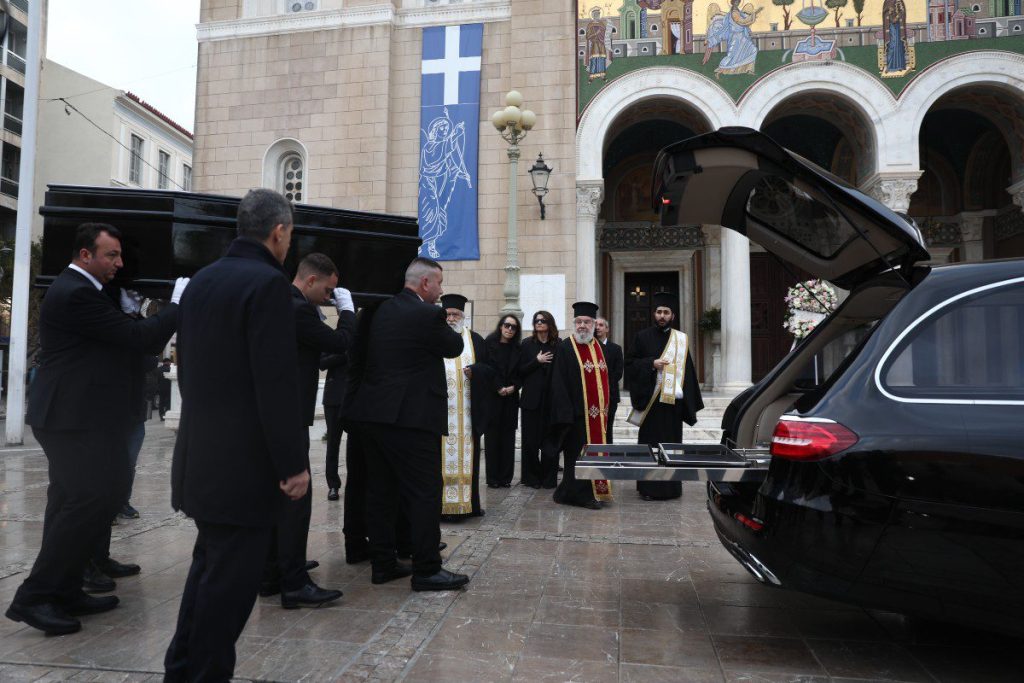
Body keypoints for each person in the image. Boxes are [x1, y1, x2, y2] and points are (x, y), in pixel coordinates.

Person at [5, 223, 185, 636]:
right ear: (85, 255)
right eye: (111, 255)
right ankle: (35, 596)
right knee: (87, 499)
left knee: (75, 500)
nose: (118, 263)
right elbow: (138, 338)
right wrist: (177, 305)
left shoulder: (88, 291)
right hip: (71, 417)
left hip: (77, 414)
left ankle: (66, 589)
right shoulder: (76, 292)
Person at [164, 189, 310, 682]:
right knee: (228, 591)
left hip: (202, 455)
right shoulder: (267, 284)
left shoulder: (203, 280)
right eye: (290, 234)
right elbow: (274, 383)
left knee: (208, 573)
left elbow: (188, 370)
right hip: (242, 469)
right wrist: (292, 463)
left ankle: (181, 670)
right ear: (279, 232)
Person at [346, 257, 470, 591]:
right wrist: (446, 320)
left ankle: (383, 563)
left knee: (381, 492)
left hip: (372, 415)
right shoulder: (427, 314)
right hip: (411, 419)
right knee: (424, 492)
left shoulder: (377, 310)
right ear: (425, 282)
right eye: (439, 283)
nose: (441, 291)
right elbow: (454, 346)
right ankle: (427, 569)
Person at [260, 253, 355, 608]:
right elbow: (341, 342)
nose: (329, 297)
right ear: (311, 280)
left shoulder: (280, 301)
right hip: (290, 416)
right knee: (296, 501)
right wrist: (347, 311)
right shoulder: (298, 308)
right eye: (328, 291)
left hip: (276, 413)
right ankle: (294, 582)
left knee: (279, 499)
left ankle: (274, 572)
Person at [625, 292, 704, 501]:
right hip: (650, 403)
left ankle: (671, 488)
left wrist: (688, 404)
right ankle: (647, 488)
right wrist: (651, 364)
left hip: (672, 406)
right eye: (659, 312)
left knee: (671, 446)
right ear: (654, 314)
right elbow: (630, 364)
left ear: (672, 316)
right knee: (649, 446)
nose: (662, 316)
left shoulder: (681, 339)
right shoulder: (642, 337)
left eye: (666, 312)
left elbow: (688, 372)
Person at [549, 302, 612, 510]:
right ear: (574, 324)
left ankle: (590, 491)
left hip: (598, 416)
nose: (582, 326)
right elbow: (558, 383)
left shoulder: (598, 347)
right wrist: (566, 414)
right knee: (576, 457)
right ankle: (579, 495)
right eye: (578, 322)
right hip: (576, 416)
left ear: (594, 324)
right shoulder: (565, 347)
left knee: (595, 453)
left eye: (586, 322)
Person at [438, 293, 493, 520]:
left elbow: (490, 370)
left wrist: (476, 372)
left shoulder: (475, 340)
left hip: (468, 415)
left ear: (463, 316)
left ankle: (469, 505)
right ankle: (441, 506)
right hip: (440, 415)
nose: (451, 319)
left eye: (456, 315)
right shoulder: (433, 339)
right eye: (448, 314)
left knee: (469, 461)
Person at [518, 310, 559, 489]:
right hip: (531, 400)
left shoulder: (559, 345)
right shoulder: (526, 344)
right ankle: (531, 478)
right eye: (536, 321)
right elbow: (520, 370)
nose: (539, 323)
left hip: (552, 401)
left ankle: (549, 479)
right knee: (530, 442)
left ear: (550, 323)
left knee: (550, 442)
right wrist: (537, 361)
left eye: (543, 320)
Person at [484, 314, 520, 488]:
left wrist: (514, 387)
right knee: (492, 439)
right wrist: (498, 387)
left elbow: (521, 372)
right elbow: (486, 368)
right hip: (493, 397)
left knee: (508, 438)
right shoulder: (489, 344)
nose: (510, 329)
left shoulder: (518, 348)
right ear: (501, 326)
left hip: (511, 398)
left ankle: (505, 478)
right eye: (507, 325)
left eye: (513, 327)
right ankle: (492, 478)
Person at [594, 317, 623, 445]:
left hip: (610, 395)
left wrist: (602, 383)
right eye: (595, 325)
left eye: (601, 325)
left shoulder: (616, 349)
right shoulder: (588, 348)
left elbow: (618, 373)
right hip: (592, 395)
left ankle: (607, 452)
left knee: (607, 427)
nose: (597, 327)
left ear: (607, 329)